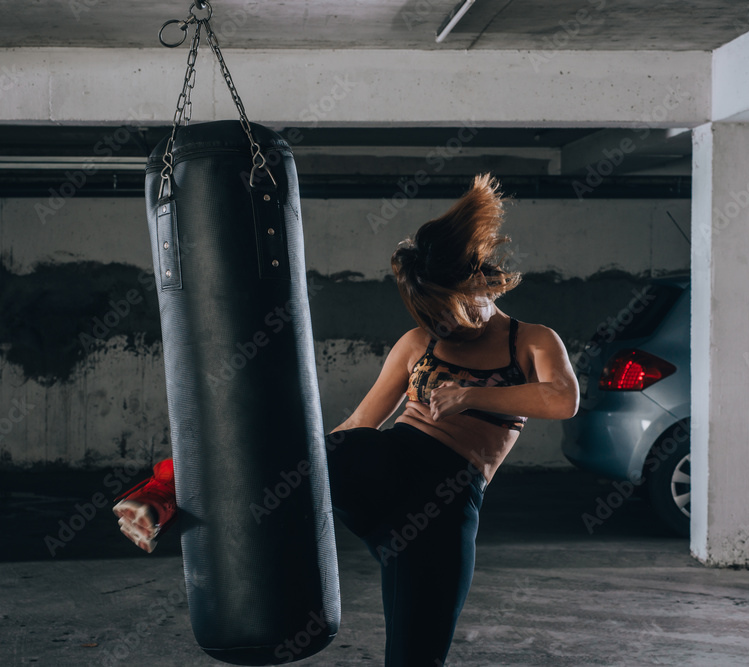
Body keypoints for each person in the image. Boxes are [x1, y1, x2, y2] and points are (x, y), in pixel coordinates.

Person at [113, 173, 579, 666]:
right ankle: (162, 493)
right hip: (389, 464)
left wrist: (468, 395)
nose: (456, 318)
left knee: (416, 655)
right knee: (291, 456)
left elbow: (562, 399)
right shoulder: (419, 344)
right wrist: (310, 459)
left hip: (449, 500)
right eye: (444, 309)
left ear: (484, 276)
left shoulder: (532, 341)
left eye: (462, 303)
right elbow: (361, 422)